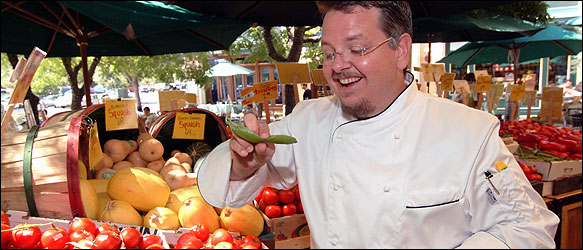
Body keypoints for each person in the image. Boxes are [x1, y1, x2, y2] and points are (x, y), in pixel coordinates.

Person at [197, 2, 558, 248]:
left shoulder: (469, 133)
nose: (338, 65)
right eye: (328, 53)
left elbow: (530, 229)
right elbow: (226, 190)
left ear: (400, 50)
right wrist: (244, 163)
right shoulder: (307, 122)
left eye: (357, 49)